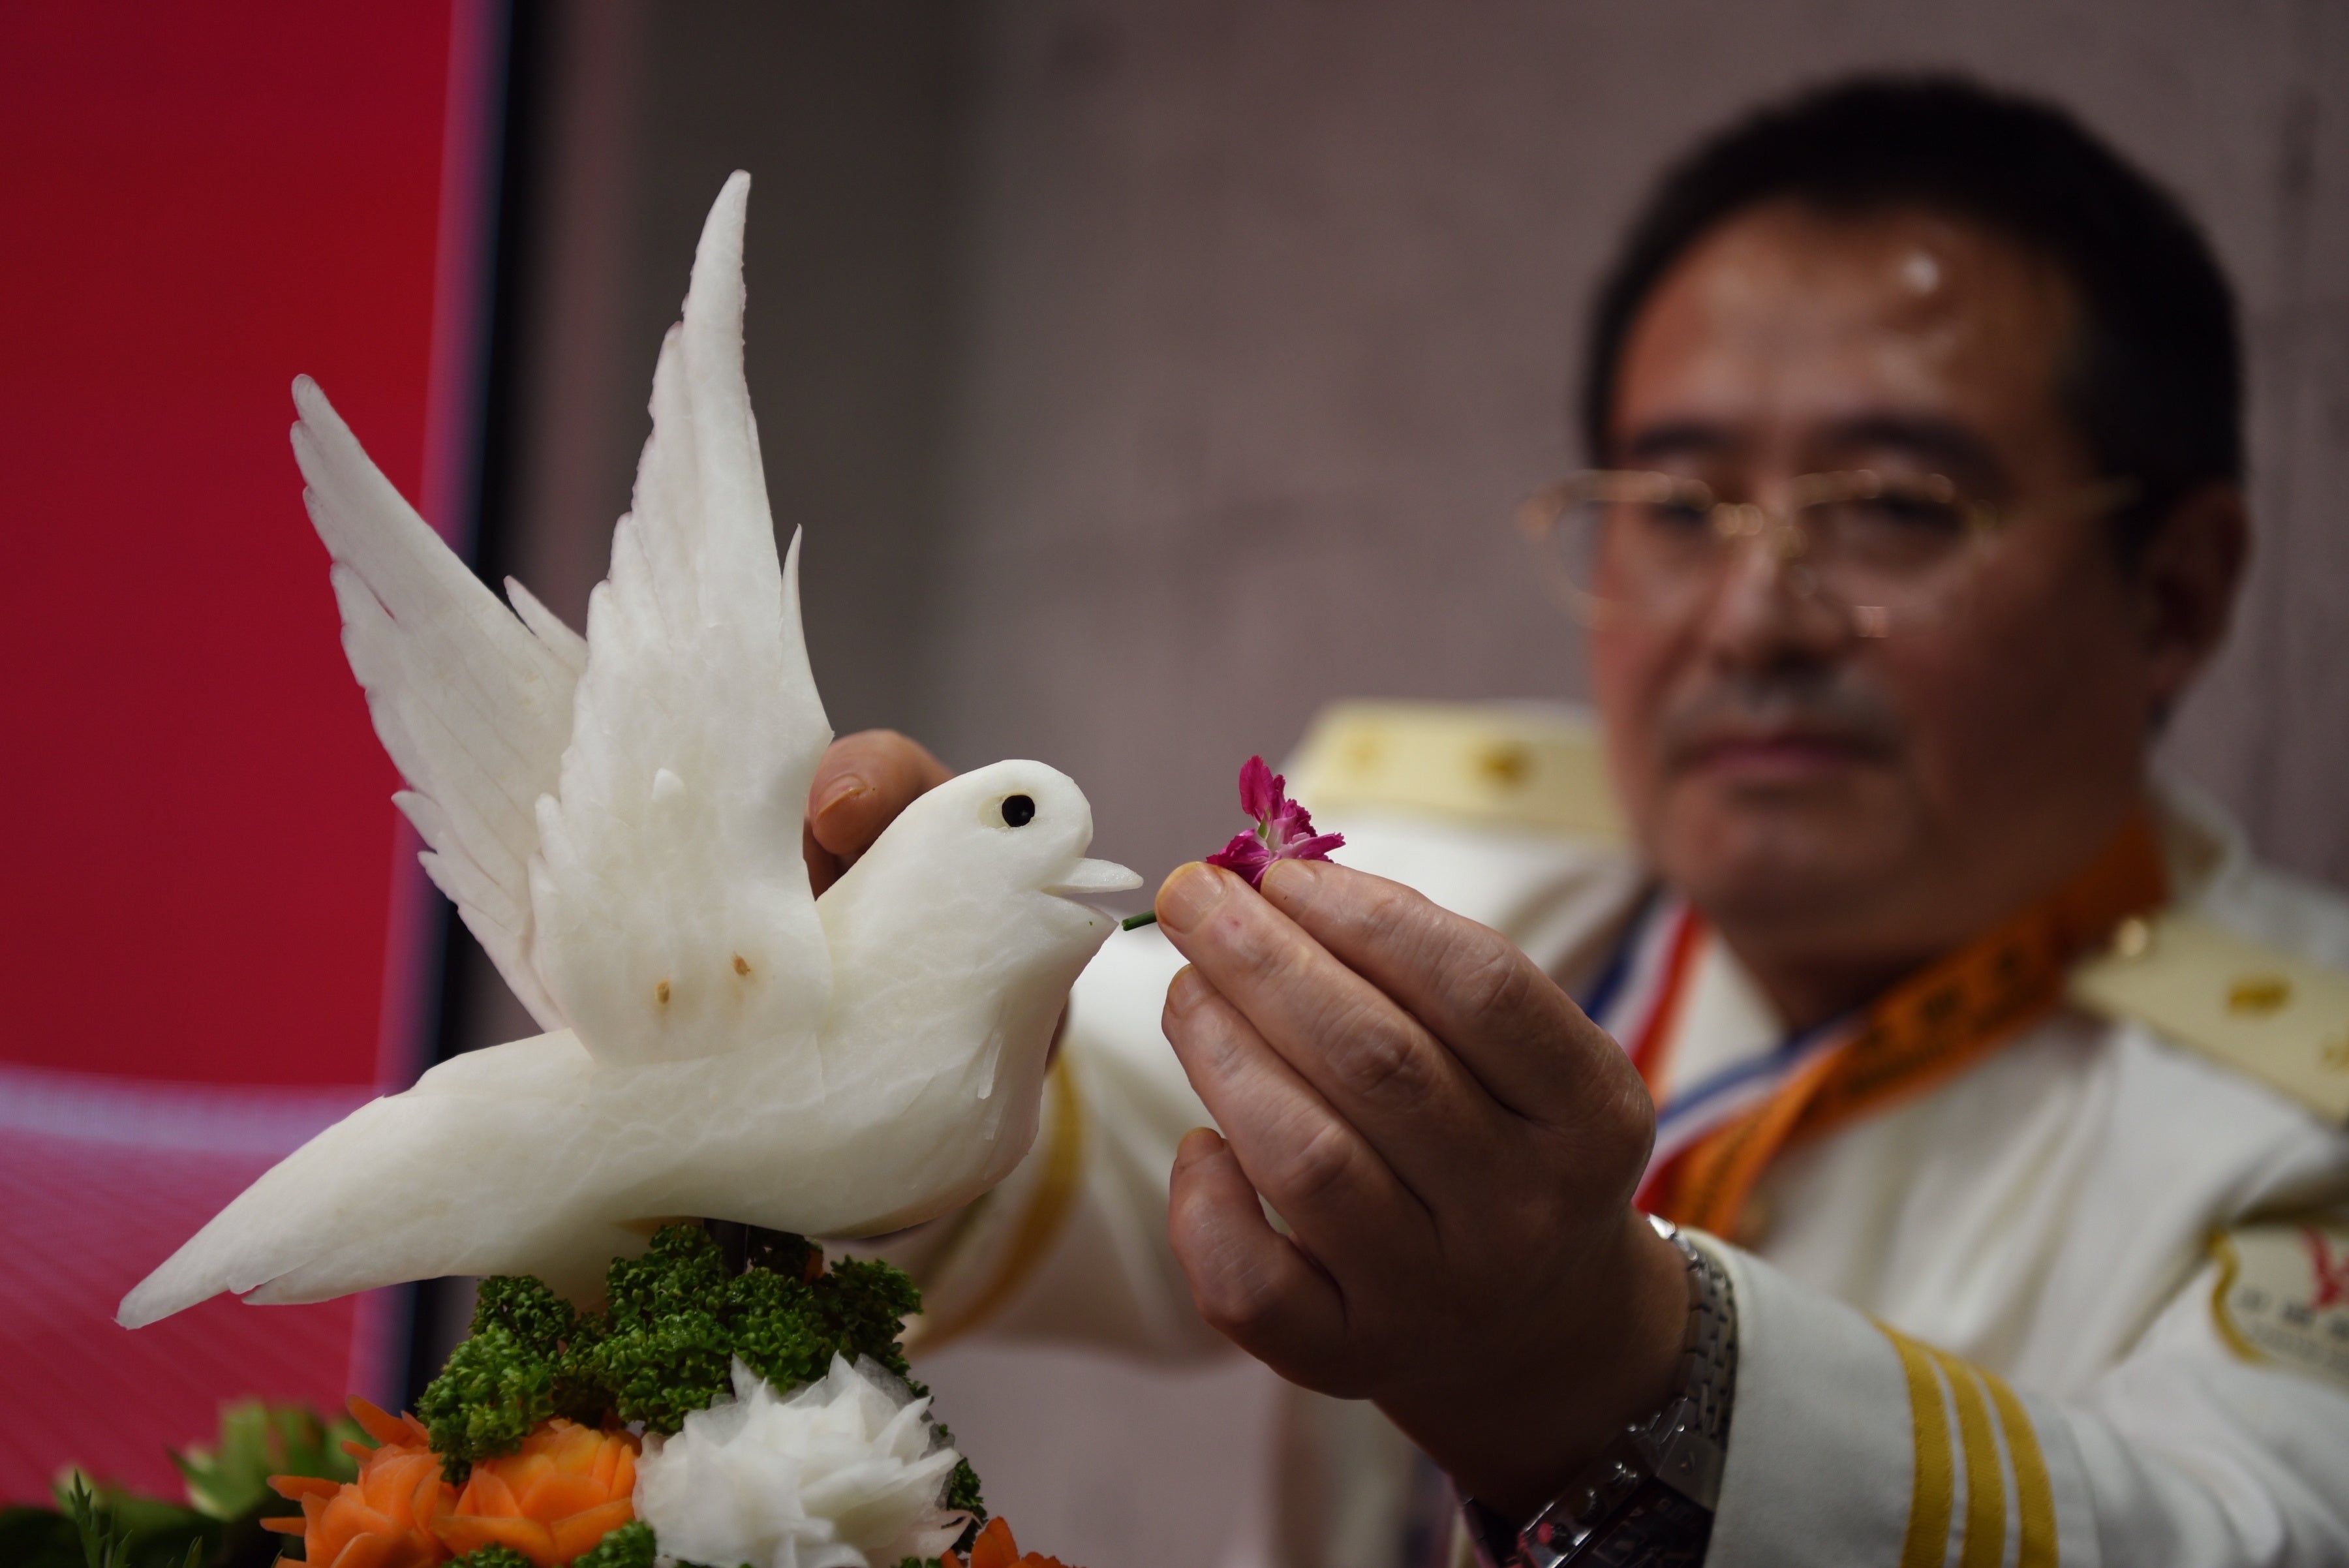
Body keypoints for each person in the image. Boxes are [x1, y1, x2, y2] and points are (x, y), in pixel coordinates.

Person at [806, 76, 2349, 1567]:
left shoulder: (2296, 1116)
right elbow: (1068, 1123)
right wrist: (880, 1011)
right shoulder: (1481, 872)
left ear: (2175, 593)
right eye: (1678, 508)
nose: (1753, 620)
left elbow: (2244, 1528)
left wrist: (1618, 1375)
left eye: (1895, 506)